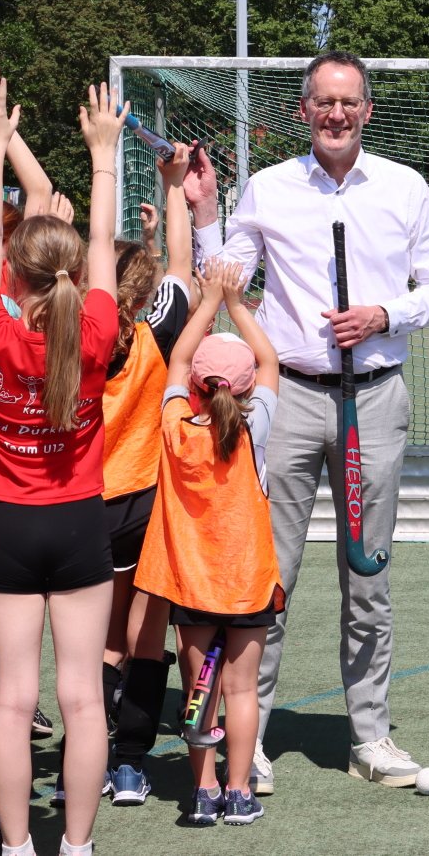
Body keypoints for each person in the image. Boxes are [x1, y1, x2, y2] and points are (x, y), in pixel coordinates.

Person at [190, 51, 429, 793]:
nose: (337, 114)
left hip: (373, 396)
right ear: (304, 111)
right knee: (267, 575)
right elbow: (228, 275)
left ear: (367, 110)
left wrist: (383, 314)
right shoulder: (269, 188)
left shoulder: (405, 187)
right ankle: (254, 733)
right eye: (323, 102)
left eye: (349, 102)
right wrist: (208, 215)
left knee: (367, 576)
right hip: (291, 396)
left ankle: (370, 736)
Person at [0, 65, 122, 856]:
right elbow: (98, 242)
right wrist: (103, 157)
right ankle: (79, 846)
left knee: (11, 701)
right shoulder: (95, 326)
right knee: (82, 699)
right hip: (79, 524)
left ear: (15, 276)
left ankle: (22, 846)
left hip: (11, 530)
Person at [135, 259, 284, 826]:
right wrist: (237, 303)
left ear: (196, 385)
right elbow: (269, 360)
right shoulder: (255, 430)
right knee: (242, 692)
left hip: (193, 586)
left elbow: (174, 358)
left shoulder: (175, 427)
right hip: (249, 585)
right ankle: (240, 791)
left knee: (201, 690)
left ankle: (202, 792)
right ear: (246, 388)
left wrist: (207, 302)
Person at [94, 144, 199, 807]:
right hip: (142, 498)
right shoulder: (157, 330)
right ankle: (130, 760)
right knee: (145, 635)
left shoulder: (70, 335)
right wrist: (175, 186)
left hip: (80, 503)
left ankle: (98, 750)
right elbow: (184, 266)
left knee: (99, 639)